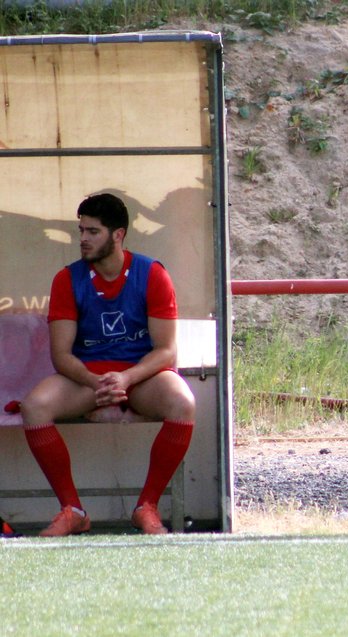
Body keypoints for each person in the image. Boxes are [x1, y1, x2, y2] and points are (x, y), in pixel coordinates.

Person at [20, 193, 195, 536]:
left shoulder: (152, 273)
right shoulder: (67, 279)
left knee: (183, 403)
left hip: (140, 376)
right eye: (81, 231)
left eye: (93, 232)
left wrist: (126, 378)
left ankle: (147, 507)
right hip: (89, 378)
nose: (83, 239)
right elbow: (61, 355)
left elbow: (166, 351)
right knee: (34, 406)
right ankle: (73, 510)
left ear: (118, 235)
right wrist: (95, 381)